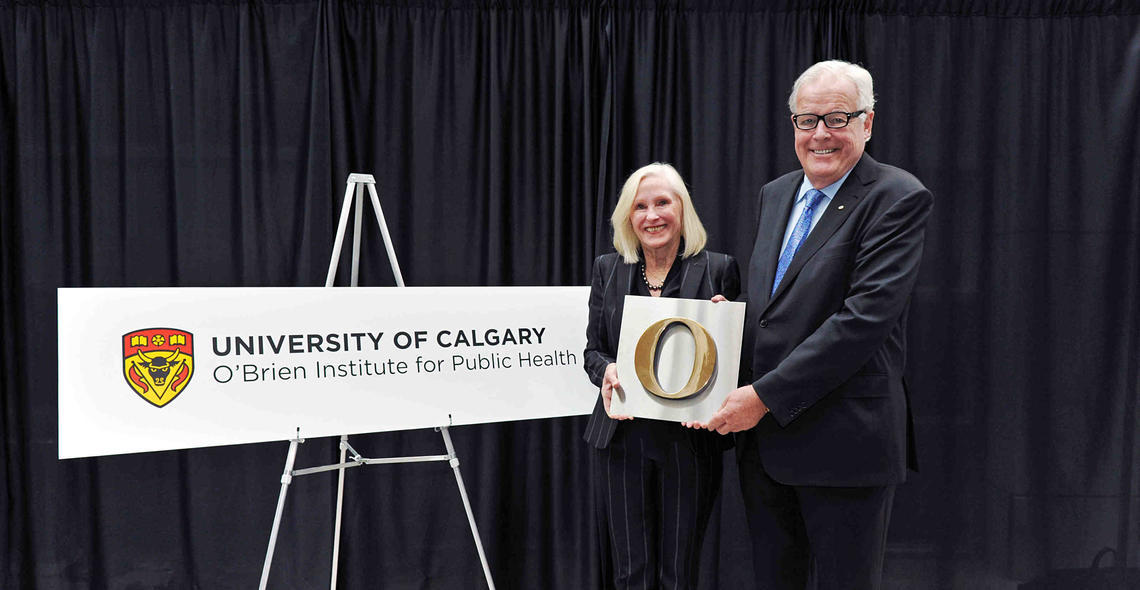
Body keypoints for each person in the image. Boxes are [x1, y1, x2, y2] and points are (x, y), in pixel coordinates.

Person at [696, 60, 933, 589]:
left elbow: (863, 320)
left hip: (845, 446)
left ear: (867, 123)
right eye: (807, 120)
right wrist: (730, 318)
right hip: (767, 449)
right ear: (794, 126)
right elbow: (780, 302)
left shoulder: (897, 197)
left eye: (838, 118)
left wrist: (761, 397)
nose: (820, 134)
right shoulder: (776, 193)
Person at [583, 162, 740, 589]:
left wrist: (727, 333)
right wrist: (607, 371)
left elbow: (736, 359)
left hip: (688, 441)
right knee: (630, 569)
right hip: (622, 439)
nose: (652, 215)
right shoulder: (607, 269)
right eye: (640, 207)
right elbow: (592, 351)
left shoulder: (718, 268)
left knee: (679, 569)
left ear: (681, 209)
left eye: (662, 203)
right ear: (628, 218)